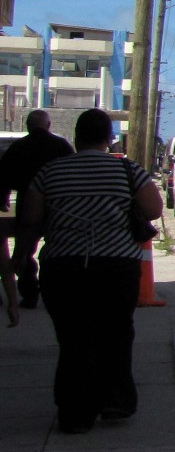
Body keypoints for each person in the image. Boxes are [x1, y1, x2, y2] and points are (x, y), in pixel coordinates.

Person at [16, 108, 162, 434]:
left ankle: (75, 413)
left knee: (74, 339)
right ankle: (116, 400)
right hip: (116, 267)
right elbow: (153, 209)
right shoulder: (127, 170)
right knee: (115, 334)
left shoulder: (50, 172)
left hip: (64, 267)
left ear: (76, 138)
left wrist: (22, 257)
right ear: (109, 138)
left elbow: (31, 218)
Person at [0, 109, 74, 308]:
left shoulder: (19, 147)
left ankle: (30, 293)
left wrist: (4, 198)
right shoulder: (61, 146)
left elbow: (4, 176)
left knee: (24, 252)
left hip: (27, 205)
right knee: (60, 248)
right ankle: (60, 292)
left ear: (28, 126)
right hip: (58, 207)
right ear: (48, 125)